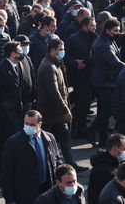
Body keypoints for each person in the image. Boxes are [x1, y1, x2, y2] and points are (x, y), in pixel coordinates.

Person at [37, 38, 88, 173]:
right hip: (51, 111)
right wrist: (65, 110)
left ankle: (70, 164)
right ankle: (48, 166)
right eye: (60, 49)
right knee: (46, 140)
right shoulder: (48, 66)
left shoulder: (55, 64)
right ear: (53, 51)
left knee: (64, 137)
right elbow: (54, 91)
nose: (63, 52)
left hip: (55, 111)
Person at [1, 110, 62, 204]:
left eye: (32, 124)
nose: (28, 126)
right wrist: (10, 199)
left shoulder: (49, 138)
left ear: (40, 124)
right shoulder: (13, 143)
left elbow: (57, 161)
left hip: (47, 189)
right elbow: (7, 173)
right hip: (25, 194)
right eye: (26, 123)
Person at [0, 41, 28, 182]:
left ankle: (4, 171)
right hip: (4, 116)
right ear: (12, 53)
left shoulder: (17, 66)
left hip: (15, 113)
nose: (21, 53)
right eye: (18, 51)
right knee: (3, 145)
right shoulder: (2, 69)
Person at [89, 18, 125, 147]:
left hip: (107, 81)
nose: (118, 33)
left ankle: (102, 139)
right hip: (102, 83)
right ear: (107, 30)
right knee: (109, 109)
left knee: (104, 110)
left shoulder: (108, 40)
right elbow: (115, 62)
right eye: (115, 31)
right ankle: (91, 129)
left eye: (119, 30)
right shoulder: (104, 45)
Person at [64, 17, 97, 137]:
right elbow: (64, 56)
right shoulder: (73, 39)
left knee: (83, 102)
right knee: (85, 100)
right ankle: (70, 120)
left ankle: (79, 129)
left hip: (90, 75)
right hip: (78, 76)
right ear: (84, 26)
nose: (94, 28)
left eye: (94, 25)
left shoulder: (95, 37)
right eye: (92, 26)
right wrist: (75, 62)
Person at [88, 133, 125, 204]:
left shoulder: (114, 163)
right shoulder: (103, 170)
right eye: (124, 149)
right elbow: (102, 197)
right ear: (114, 149)